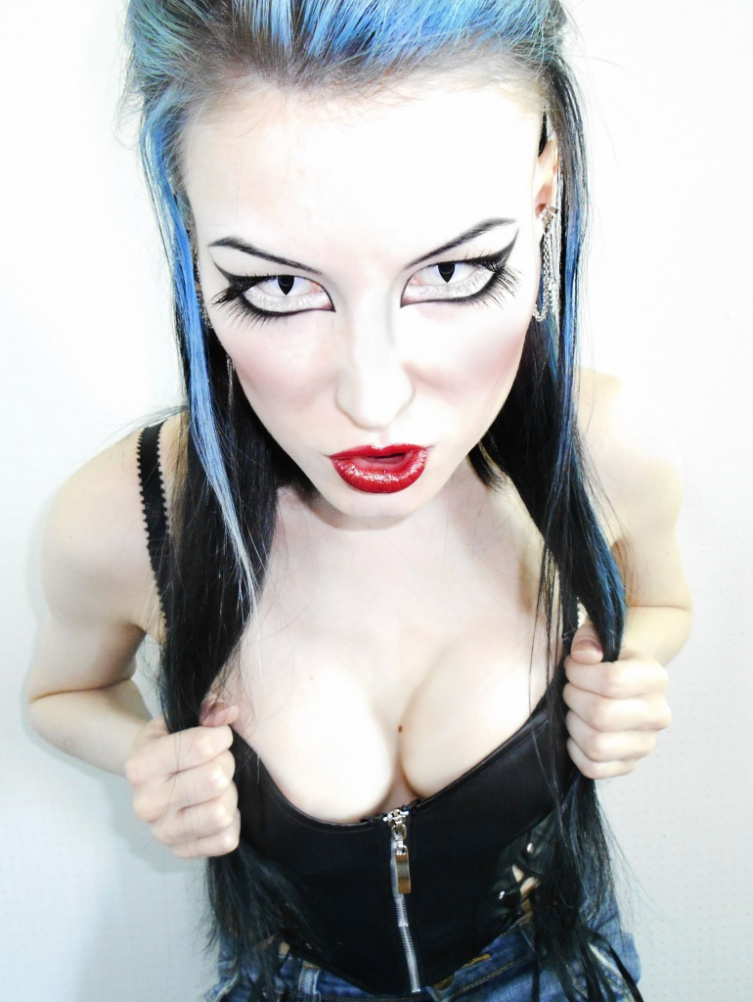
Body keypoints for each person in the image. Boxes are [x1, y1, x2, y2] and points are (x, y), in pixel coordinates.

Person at [27, 1, 691, 1000]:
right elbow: (59, 695)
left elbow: (665, 601)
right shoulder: (128, 518)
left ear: (543, 193)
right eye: (278, 288)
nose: (372, 402)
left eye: (456, 271)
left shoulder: (601, 450)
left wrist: (630, 668)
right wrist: (145, 755)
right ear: (188, 225)